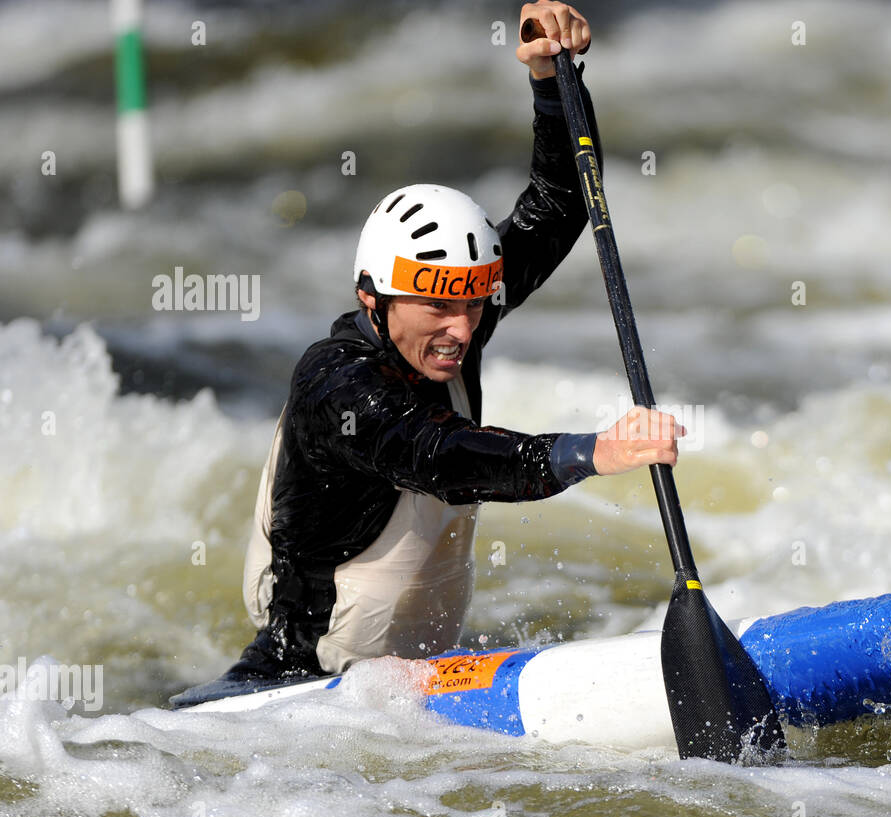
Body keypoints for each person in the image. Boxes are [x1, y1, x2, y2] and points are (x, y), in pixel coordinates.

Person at [171, 2, 682, 707]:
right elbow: (442, 458)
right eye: (438, 305)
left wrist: (549, 79)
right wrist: (591, 452)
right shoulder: (337, 386)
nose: (462, 330)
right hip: (301, 691)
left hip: (407, 695)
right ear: (372, 299)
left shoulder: (457, 321)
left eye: (473, 302)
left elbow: (562, 203)